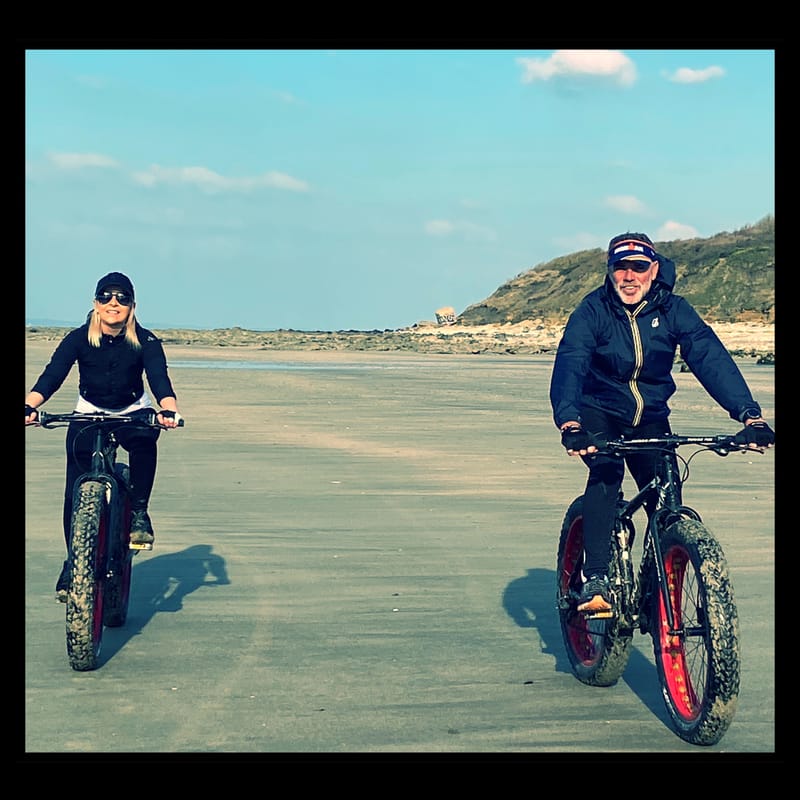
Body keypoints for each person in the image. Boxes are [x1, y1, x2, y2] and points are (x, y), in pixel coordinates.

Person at [549, 232, 774, 614]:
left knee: (666, 496)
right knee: (606, 474)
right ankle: (597, 577)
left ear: (654, 270)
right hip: (597, 413)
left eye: (639, 267)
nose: (630, 276)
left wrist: (749, 415)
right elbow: (571, 362)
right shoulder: (593, 311)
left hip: (650, 417)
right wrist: (570, 424)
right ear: (610, 270)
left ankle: (661, 583)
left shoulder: (673, 309)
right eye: (621, 267)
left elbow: (708, 357)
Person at [25, 272, 183, 602]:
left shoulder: (146, 340)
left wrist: (168, 410)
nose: (114, 303)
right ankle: (73, 563)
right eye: (107, 297)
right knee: (74, 490)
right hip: (89, 412)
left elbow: (159, 378)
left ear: (132, 306)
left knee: (144, 441)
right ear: (96, 303)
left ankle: (139, 512)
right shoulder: (78, 338)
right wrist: (30, 405)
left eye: (122, 298)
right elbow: (52, 375)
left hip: (131, 411)